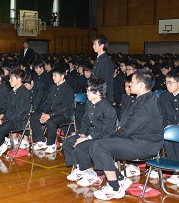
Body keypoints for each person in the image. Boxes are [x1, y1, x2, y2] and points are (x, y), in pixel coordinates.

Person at [89, 69, 164, 200]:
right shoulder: (143, 99)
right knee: (95, 145)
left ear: (141, 85)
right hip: (136, 139)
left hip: (144, 145)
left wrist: (111, 137)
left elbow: (128, 130)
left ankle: (114, 188)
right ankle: (120, 179)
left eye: (132, 82)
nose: (129, 85)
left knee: (100, 145)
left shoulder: (146, 105)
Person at [63, 78, 117, 187]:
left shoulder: (108, 108)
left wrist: (87, 138)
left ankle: (90, 173)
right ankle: (81, 168)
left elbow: (105, 129)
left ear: (97, 93)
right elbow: (85, 120)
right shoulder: (89, 103)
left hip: (104, 137)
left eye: (88, 91)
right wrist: (82, 134)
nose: (86, 93)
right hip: (90, 133)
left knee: (81, 146)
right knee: (67, 143)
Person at [31, 65, 74, 153]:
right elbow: (48, 103)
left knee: (51, 122)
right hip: (51, 112)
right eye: (52, 75)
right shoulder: (53, 87)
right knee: (34, 117)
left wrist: (49, 115)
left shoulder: (68, 90)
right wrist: (43, 113)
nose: (53, 78)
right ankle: (41, 140)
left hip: (64, 114)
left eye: (55, 76)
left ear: (62, 76)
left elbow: (63, 108)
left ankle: (51, 144)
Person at [159, 70, 179, 185]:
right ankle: (175, 171)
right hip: (168, 127)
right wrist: (167, 125)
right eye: (166, 82)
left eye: (171, 82)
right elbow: (160, 114)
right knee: (168, 138)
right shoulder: (163, 96)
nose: (168, 85)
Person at [91, 35, 114, 103]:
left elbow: (105, 80)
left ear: (101, 46)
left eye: (95, 44)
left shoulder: (106, 60)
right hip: (96, 93)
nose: (93, 46)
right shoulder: (99, 59)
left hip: (102, 96)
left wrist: (96, 91)